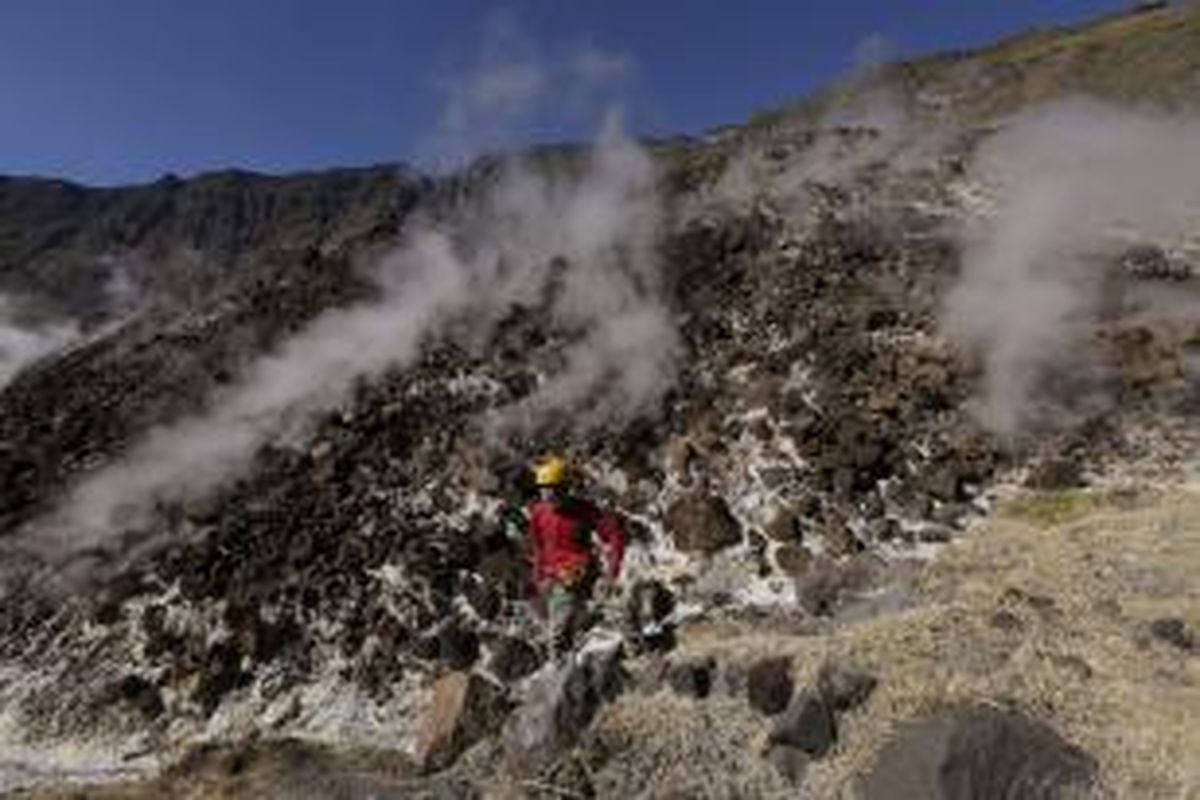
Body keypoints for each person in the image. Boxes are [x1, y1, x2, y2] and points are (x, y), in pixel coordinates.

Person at [512, 454, 626, 656]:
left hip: (577, 571)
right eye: (544, 490)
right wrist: (538, 577)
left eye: (554, 490)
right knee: (553, 619)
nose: (548, 495)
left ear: (565, 488)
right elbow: (539, 547)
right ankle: (567, 651)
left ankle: (558, 662)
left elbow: (614, 535)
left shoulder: (584, 510)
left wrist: (612, 572)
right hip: (551, 574)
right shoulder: (539, 512)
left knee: (560, 625)